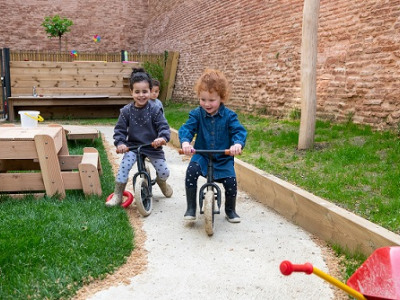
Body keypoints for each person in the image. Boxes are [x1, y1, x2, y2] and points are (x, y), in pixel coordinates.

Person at [178, 68, 247, 223]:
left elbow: (239, 131)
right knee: (191, 171)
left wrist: (237, 144)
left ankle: (230, 210)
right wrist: (185, 142)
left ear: (221, 98)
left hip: (223, 157)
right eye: (203, 100)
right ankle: (190, 208)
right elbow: (188, 128)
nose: (207, 104)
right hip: (202, 155)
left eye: (211, 100)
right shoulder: (196, 114)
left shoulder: (229, 116)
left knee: (231, 182)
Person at [106, 68, 173, 207]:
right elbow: (119, 130)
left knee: (164, 172)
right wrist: (120, 143)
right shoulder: (126, 111)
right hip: (133, 147)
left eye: (145, 91)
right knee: (124, 167)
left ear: (150, 91)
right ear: (131, 92)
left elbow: (163, 126)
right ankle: (118, 194)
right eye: (137, 92)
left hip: (152, 146)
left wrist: (162, 138)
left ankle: (161, 182)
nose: (141, 95)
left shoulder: (155, 110)